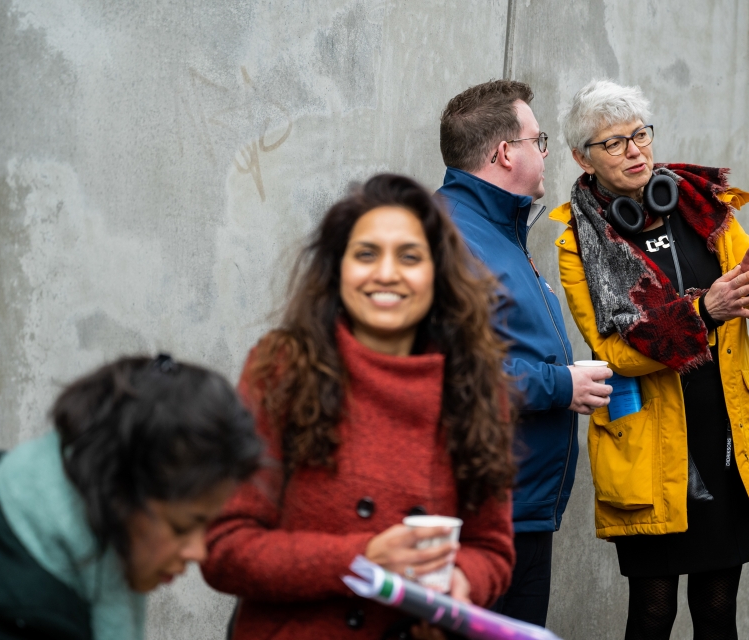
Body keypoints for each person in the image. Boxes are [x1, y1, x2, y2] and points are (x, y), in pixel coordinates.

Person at [202, 174, 516, 640]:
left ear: (437, 272)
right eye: (366, 254)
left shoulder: (475, 386)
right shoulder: (283, 367)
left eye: (409, 257)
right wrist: (364, 559)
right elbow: (224, 547)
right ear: (338, 268)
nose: (386, 273)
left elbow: (490, 547)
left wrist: (460, 582)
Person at [550, 79, 749, 639]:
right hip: (652, 451)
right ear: (580, 158)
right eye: (613, 143)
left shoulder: (704, 208)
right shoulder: (576, 242)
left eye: (640, 134)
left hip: (727, 439)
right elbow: (613, 352)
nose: (634, 149)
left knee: (716, 609)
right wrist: (705, 313)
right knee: (653, 612)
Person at [0, 355, 262, 640]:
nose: (199, 551)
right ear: (119, 494)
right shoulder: (16, 613)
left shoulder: (8, 480)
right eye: (182, 527)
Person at [435, 79, 612, 626]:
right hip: (479, 515)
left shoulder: (499, 233)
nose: (544, 152)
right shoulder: (447, 238)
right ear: (504, 152)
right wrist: (563, 385)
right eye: (538, 140)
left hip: (522, 513)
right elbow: (448, 374)